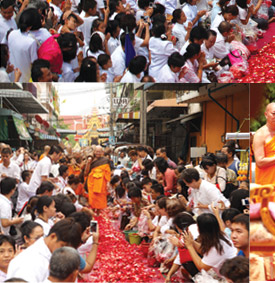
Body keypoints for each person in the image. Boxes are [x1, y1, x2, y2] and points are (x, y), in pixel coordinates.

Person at [7, 218, 82, 282]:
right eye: (63, 246)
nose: (65, 252)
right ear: (53, 237)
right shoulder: (30, 261)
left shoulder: (50, 254)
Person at [253, 102, 275, 185]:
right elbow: (260, 162)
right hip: (267, 186)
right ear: (266, 115)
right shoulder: (260, 134)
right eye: (274, 114)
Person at [86, 146, 111, 212]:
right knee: (93, 197)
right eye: (97, 151)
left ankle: (99, 212)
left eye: (99, 151)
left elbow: (107, 172)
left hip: (102, 182)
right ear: (94, 152)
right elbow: (87, 170)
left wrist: (108, 182)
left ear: (102, 152)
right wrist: (88, 162)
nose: (98, 153)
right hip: (92, 181)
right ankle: (93, 211)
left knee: (100, 197)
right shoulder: (91, 159)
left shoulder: (105, 160)